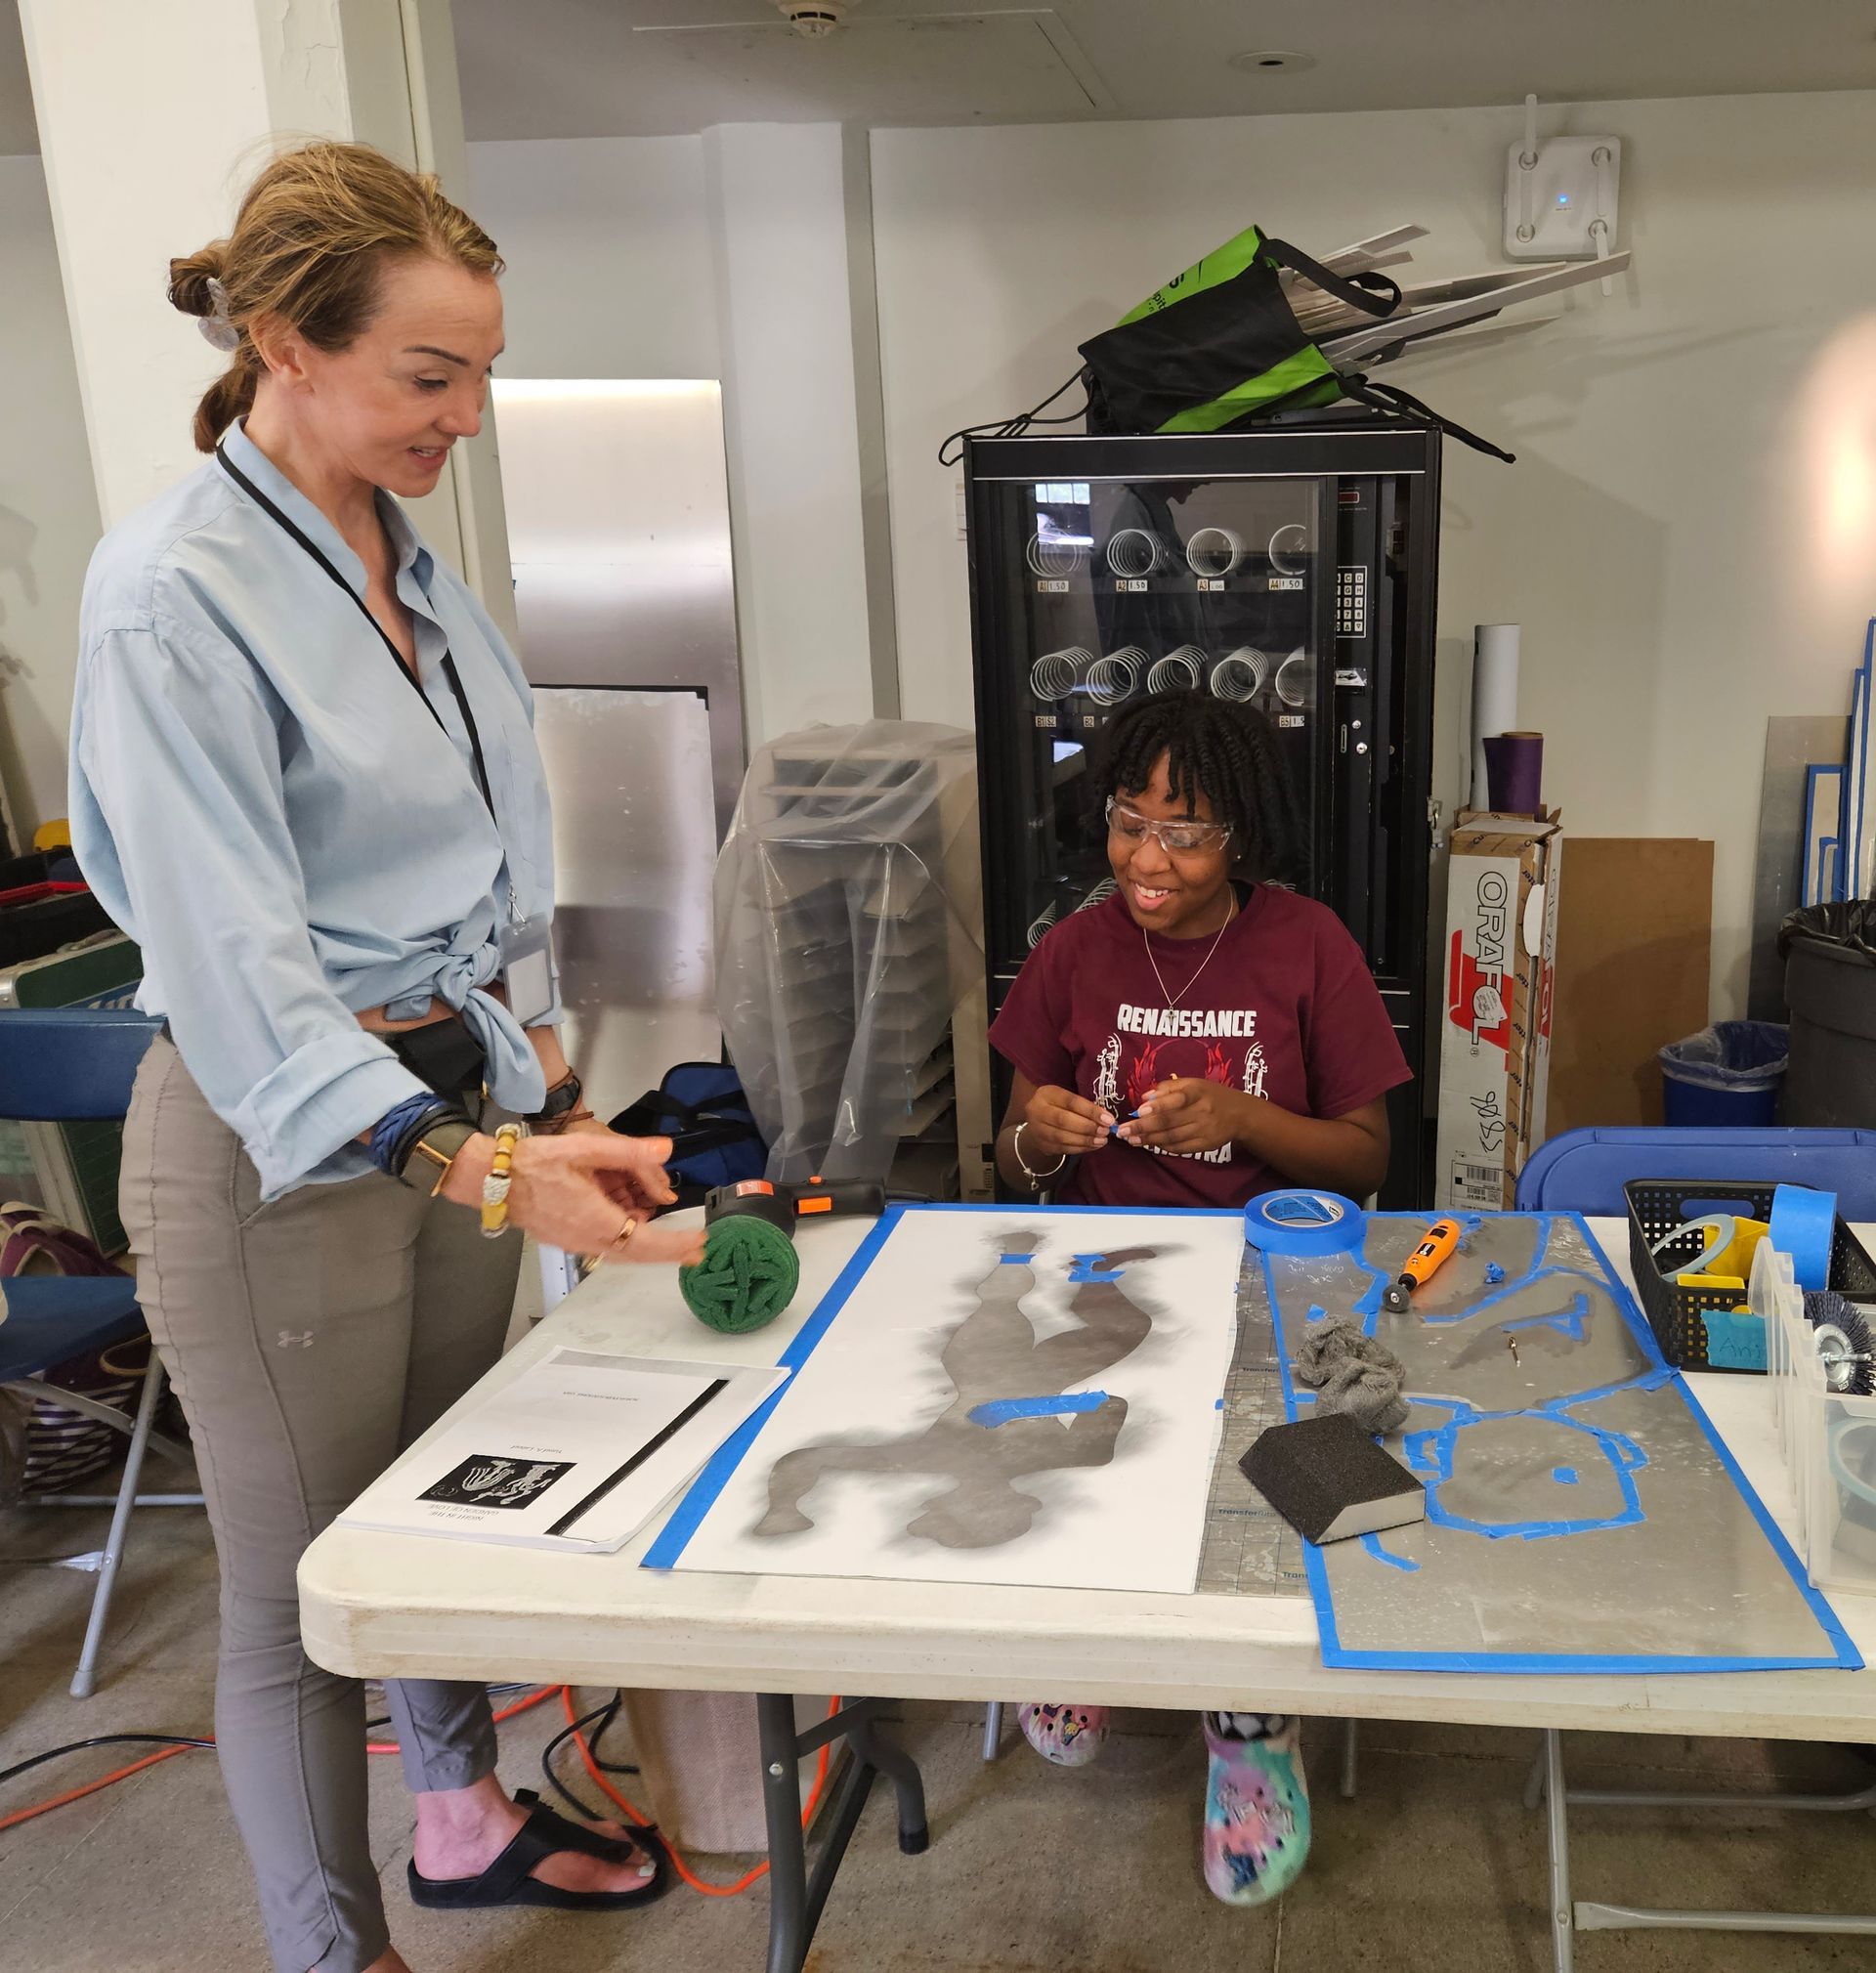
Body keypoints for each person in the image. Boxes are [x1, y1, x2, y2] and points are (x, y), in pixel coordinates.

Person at [67, 142, 704, 1973]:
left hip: (453, 1097)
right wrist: (493, 1167)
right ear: (284, 338)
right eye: (435, 375)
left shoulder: (416, 566)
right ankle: (327, 1946)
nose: (472, 415)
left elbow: (495, 880)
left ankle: (461, 1809)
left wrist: (554, 1108)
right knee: (295, 1596)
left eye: (482, 370)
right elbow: (242, 977)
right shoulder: (171, 596)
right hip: (276, 1150)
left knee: (432, 1504)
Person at [986, 688, 1411, 1908]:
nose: (1149, 859)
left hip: (1279, 1272)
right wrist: (1044, 1133)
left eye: (1187, 831)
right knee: (1065, 1450)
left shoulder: (1306, 943)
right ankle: (1082, 1641)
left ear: (1244, 837)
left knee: (1279, 1488)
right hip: (1114, 1273)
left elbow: (1368, 1159)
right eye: (1129, 821)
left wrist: (1244, 1119)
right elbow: (1014, 1153)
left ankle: (1251, 1727)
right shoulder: (1075, 949)